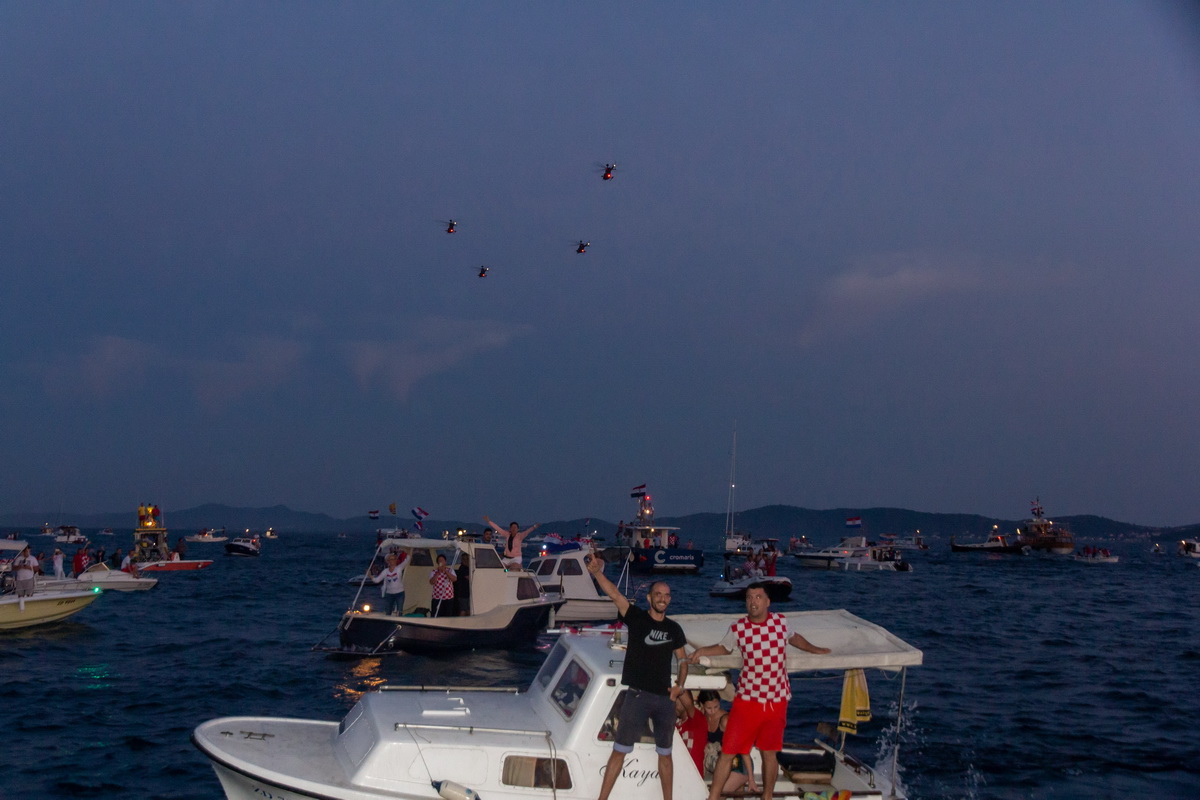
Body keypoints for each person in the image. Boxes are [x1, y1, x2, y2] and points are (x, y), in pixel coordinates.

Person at [689, 583, 832, 800]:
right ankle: (713, 797)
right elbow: (724, 648)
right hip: (747, 702)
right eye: (749, 597)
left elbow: (795, 639)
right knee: (728, 752)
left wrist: (816, 649)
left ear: (767, 602)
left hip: (776, 702)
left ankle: (767, 797)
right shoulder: (738, 628)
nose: (752, 601)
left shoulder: (781, 622)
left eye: (757, 597)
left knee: (769, 753)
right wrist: (702, 651)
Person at [586, 552, 689, 800]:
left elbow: (683, 660)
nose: (662, 599)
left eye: (666, 595)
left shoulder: (674, 628)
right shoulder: (637, 619)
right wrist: (597, 572)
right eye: (658, 594)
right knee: (619, 751)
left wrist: (680, 686)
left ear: (670, 600)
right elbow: (615, 595)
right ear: (649, 598)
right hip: (637, 696)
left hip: (665, 699)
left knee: (665, 754)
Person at [697, 690, 759, 795]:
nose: (713, 711)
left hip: (739, 765)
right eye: (709, 708)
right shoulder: (702, 717)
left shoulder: (726, 720)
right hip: (721, 764)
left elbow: (743, 747)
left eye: (716, 707)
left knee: (718, 796)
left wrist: (751, 778)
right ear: (702, 705)